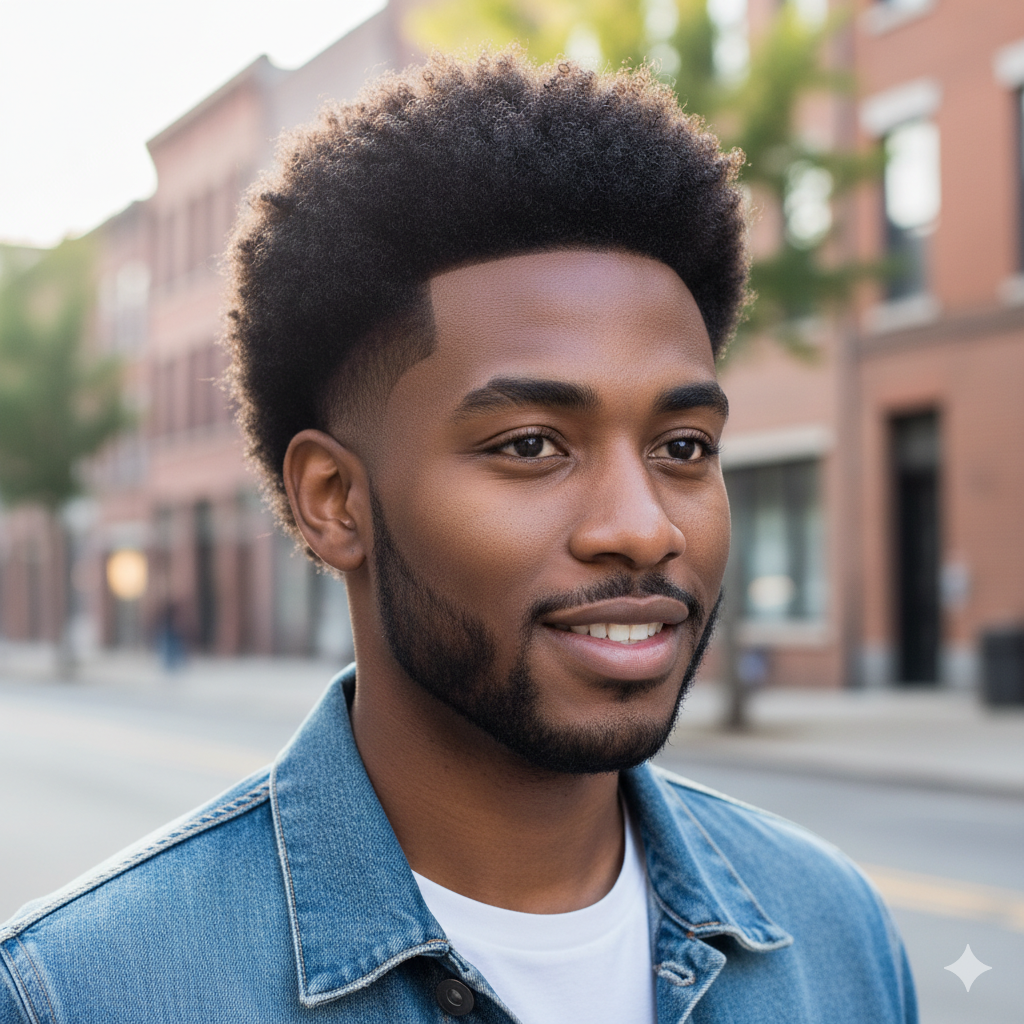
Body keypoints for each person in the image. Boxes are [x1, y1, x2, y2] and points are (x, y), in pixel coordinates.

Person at [0, 50, 917, 1023]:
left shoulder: (834, 933)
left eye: (682, 445)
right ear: (334, 500)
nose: (642, 526)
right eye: (531, 444)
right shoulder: (84, 991)